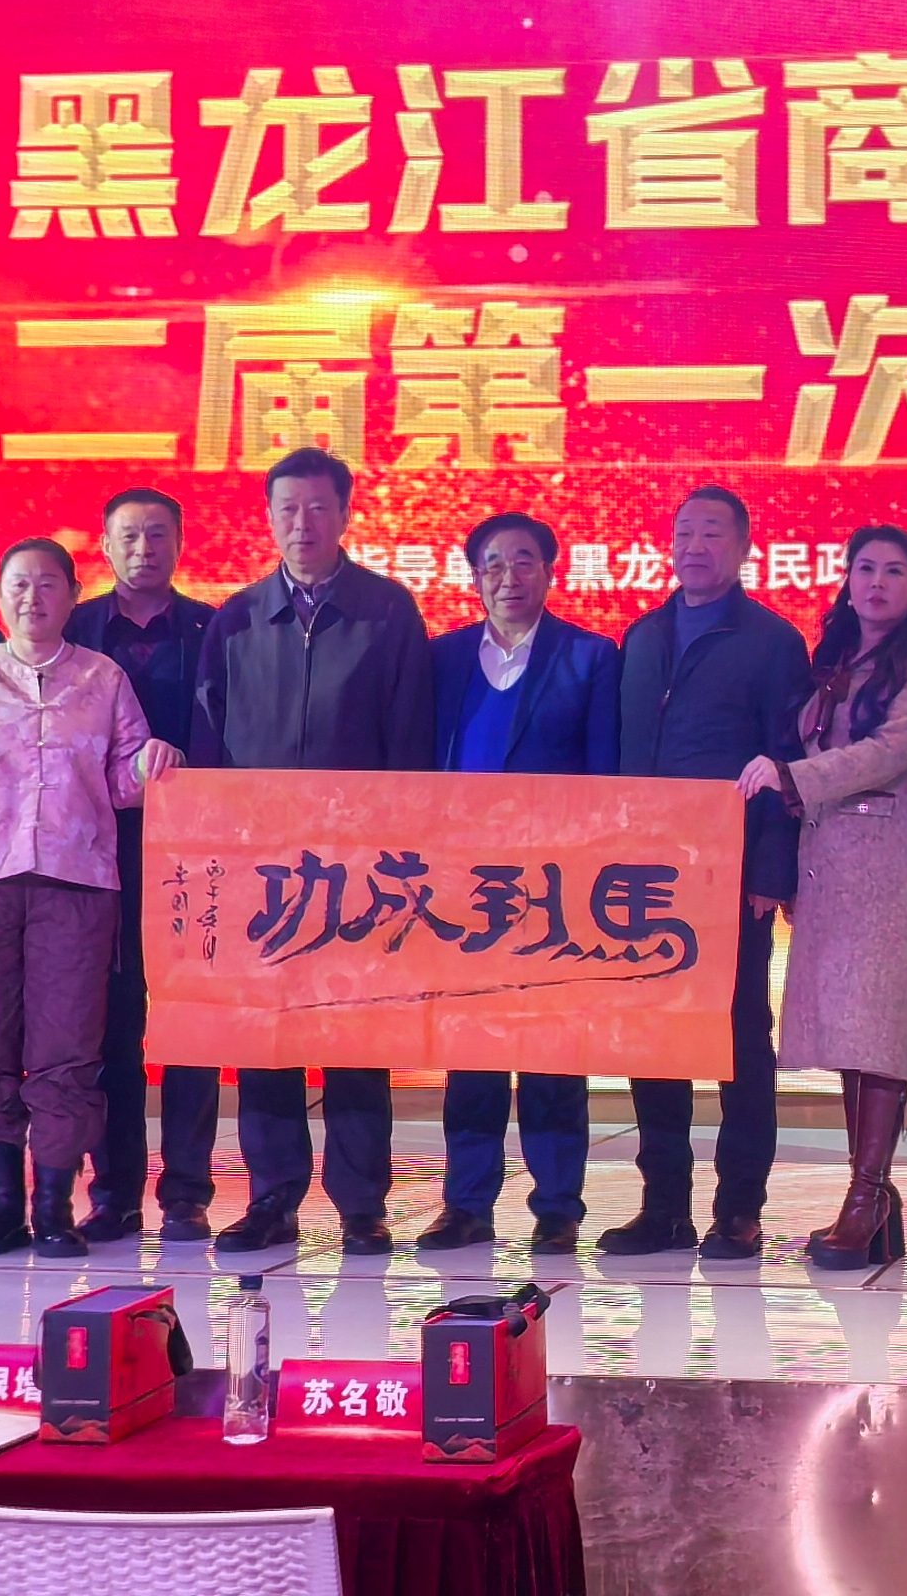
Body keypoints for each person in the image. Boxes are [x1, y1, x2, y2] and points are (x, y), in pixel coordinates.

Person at [192, 448, 435, 1257]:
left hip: (360, 868)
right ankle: (272, 1198)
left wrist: (399, 855)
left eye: (318, 508)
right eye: (288, 509)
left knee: (356, 1041)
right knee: (267, 1040)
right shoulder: (235, 619)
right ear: (269, 519)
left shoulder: (387, 613)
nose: (303, 524)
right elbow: (207, 744)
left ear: (346, 514)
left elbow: (411, 741)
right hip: (260, 869)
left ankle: (363, 1205)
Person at [0, 538, 162, 1260]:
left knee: (67, 1047)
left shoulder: (104, 678)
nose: (32, 598)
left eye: (49, 584)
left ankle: (53, 1209)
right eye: (18, 584)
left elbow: (123, 782)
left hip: (77, 886)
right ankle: (0, 1208)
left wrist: (152, 764)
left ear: (74, 595)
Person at [602, 485, 809, 1263]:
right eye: (683, 531)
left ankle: (739, 1211)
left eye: (712, 532)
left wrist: (772, 871)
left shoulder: (772, 641)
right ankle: (664, 1209)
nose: (694, 545)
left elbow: (787, 763)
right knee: (654, 1039)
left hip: (733, 874)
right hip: (646, 875)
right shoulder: (642, 635)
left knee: (740, 1039)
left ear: (745, 546)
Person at [746, 525, 907, 1273]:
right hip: (827, 867)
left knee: (877, 1030)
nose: (877, 583)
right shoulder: (830, 663)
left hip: (889, 869)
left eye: (895, 571)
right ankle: (873, 1196)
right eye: (865, 568)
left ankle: (865, 1200)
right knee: (847, 1034)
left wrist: (794, 777)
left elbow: (894, 751)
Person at [422, 511, 623, 1256]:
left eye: (524, 562)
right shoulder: (442, 658)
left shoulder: (590, 657)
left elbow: (604, 776)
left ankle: (558, 1206)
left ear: (550, 571)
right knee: (470, 1054)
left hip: (556, 887)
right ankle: (466, 1204)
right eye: (494, 566)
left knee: (552, 1052)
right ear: (476, 578)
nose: (509, 578)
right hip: (463, 886)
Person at [68, 486, 226, 1244]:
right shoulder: (72, 628)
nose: (143, 548)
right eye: (128, 535)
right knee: (110, 1022)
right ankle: (114, 1190)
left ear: (180, 542)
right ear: (105, 546)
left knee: (192, 1022)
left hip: (197, 853)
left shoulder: (217, 629)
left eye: (157, 534)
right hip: (99, 852)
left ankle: (188, 1190)